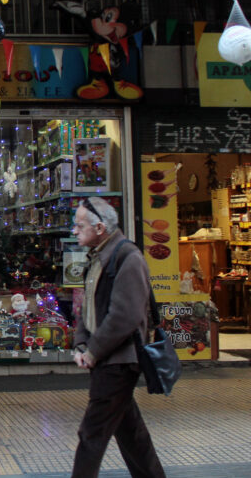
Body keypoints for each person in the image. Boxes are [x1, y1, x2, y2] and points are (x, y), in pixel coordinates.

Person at [70, 197, 166, 478]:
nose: (74, 231)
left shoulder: (127, 258)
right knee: (131, 434)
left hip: (119, 362)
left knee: (92, 434)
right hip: (108, 361)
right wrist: (80, 343)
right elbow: (87, 307)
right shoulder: (98, 257)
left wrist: (93, 351)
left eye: (79, 225)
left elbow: (125, 316)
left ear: (99, 227)